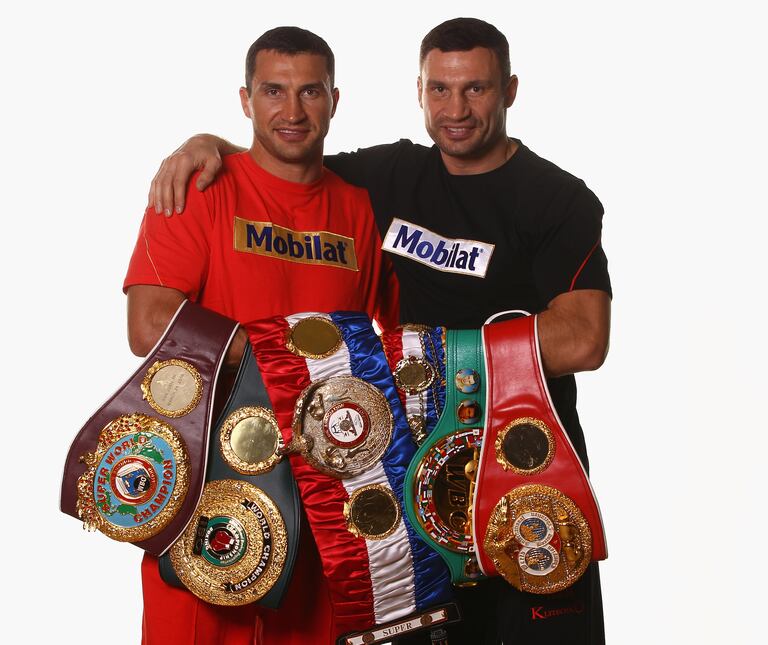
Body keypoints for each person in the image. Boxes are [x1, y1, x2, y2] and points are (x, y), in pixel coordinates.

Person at [149, 17, 612, 645]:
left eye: (476, 89)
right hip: (403, 486)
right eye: (440, 90)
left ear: (510, 90)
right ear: (418, 91)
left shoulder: (556, 200)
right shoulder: (389, 178)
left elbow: (583, 338)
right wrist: (206, 143)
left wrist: (436, 357)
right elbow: (287, 153)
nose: (457, 109)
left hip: (520, 468)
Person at [124, 26, 398, 645]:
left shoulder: (361, 208)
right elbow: (149, 324)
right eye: (274, 91)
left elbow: (397, 342)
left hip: (331, 502)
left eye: (310, 92)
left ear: (334, 99)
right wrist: (291, 359)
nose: (292, 111)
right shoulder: (200, 187)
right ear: (246, 100)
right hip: (210, 486)